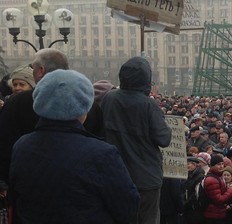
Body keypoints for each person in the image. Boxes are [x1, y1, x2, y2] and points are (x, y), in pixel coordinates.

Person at [9, 69, 140, 223]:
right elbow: (127, 207)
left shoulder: (21, 146)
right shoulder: (102, 153)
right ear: (83, 106)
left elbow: (16, 199)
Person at [101, 56, 172, 223]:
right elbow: (164, 139)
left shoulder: (109, 99)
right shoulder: (149, 105)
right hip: (146, 179)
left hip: (116, 174)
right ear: (146, 79)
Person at [0, 49, 69, 183]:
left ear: (40, 70)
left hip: (29, 181)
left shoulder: (18, 102)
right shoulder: (85, 101)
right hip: (75, 182)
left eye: (33, 67)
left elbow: (4, 144)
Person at [204, 154, 232, 224]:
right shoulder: (212, 180)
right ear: (212, 165)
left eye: (222, 164)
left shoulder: (217, 176)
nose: (221, 166)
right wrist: (230, 190)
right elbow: (219, 200)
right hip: (213, 215)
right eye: (218, 164)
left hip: (217, 213)